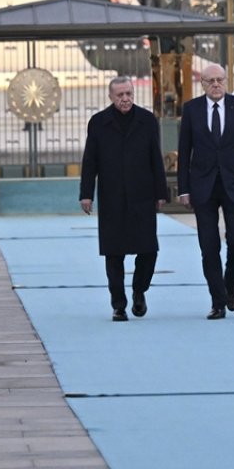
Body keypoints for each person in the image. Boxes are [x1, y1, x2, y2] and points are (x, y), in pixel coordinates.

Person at [78, 77, 168, 321]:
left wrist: (161, 192)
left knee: (148, 250)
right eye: (120, 95)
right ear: (111, 97)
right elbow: (90, 161)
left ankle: (139, 290)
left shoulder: (147, 120)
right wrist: (86, 194)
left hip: (142, 195)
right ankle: (118, 304)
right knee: (114, 253)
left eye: (129, 93)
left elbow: (155, 159)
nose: (125, 99)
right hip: (112, 197)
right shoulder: (98, 123)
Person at [178, 63, 234, 320]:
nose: (216, 85)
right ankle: (218, 301)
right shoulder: (191, 109)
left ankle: (230, 282)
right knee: (209, 246)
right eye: (210, 81)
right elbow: (184, 151)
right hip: (203, 186)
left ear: (226, 81)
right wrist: (184, 189)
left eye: (220, 80)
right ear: (202, 84)